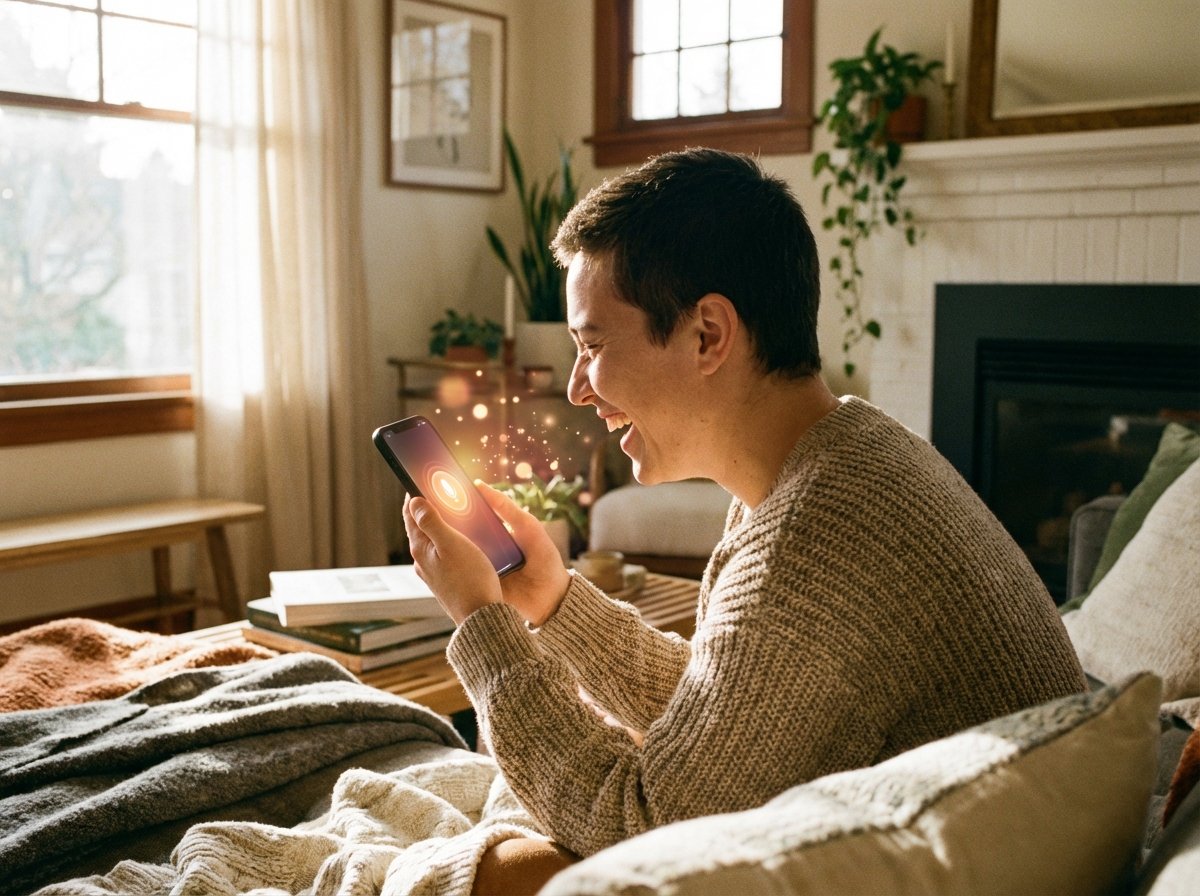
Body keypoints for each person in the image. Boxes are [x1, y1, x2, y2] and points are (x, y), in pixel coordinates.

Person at [403, 148, 1087, 861]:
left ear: (709, 335)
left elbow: (652, 837)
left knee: (510, 872)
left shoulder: (818, 532)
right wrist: (551, 600)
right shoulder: (837, 456)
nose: (578, 387)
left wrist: (484, 628)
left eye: (593, 343)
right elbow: (732, 723)